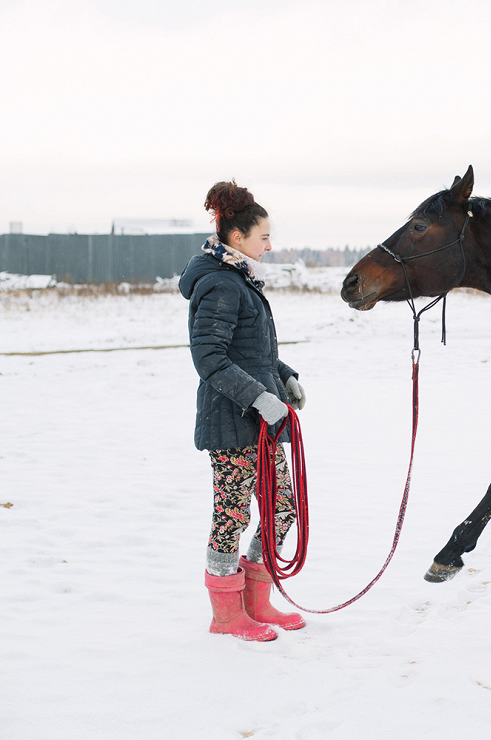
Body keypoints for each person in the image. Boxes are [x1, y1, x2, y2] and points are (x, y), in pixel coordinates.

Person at [179, 180, 307, 642]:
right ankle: (227, 613)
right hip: (231, 423)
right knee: (231, 516)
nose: (270, 244)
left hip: (262, 423)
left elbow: (252, 350)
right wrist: (259, 397)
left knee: (282, 510)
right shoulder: (218, 284)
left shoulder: (240, 280)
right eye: (264, 236)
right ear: (238, 238)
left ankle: (256, 601)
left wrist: (285, 375)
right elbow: (210, 358)